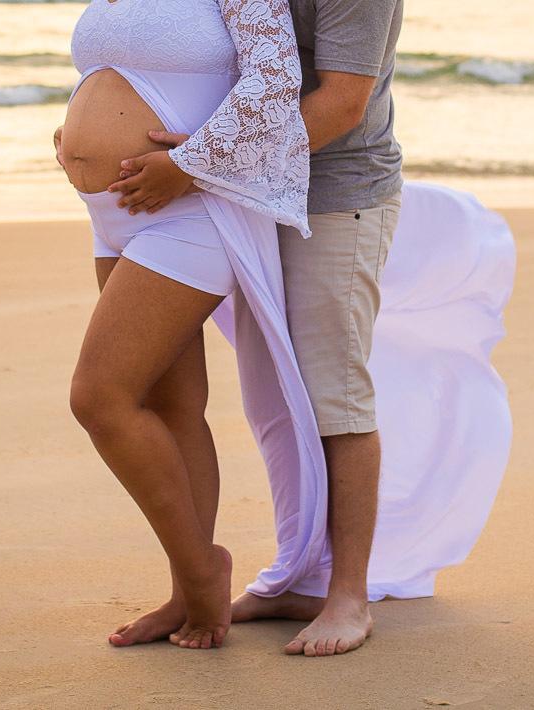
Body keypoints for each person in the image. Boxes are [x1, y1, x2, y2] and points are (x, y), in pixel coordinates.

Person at [114, 0, 407, 656]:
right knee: (275, 401)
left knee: (334, 397)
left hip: (334, 199)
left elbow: (342, 104)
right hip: (251, 196)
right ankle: (298, 576)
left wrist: (198, 165)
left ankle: (348, 596)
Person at [55, 0, 314, 650]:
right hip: (114, 211)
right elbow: (125, 71)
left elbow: (273, 81)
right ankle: (184, 591)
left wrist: (193, 164)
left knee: (100, 397)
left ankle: (203, 571)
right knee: (171, 405)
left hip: (191, 206)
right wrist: (74, 136)